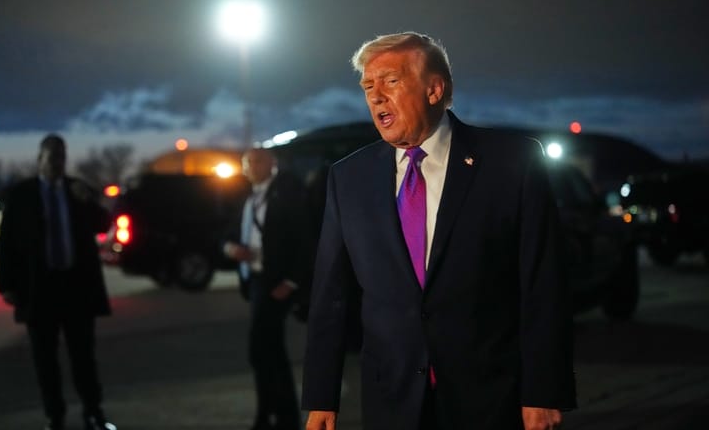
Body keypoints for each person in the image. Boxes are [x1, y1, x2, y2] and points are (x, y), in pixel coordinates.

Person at [301, 32, 576, 430]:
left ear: (434, 89)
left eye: (390, 81)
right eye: (367, 87)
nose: (375, 96)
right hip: (391, 401)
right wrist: (321, 397)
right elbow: (331, 296)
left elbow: (543, 285)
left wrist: (544, 391)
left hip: (490, 397)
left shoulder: (512, 163)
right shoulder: (348, 178)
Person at [0, 134, 117, 430]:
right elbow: (7, 242)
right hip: (39, 288)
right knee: (45, 359)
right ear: (40, 160)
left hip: (76, 287)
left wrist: (89, 201)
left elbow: (103, 225)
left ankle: (93, 412)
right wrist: (7, 285)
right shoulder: (22, 195)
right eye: (52, 158)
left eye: (62, 158)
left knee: (83, 356)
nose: (57, 164)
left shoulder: (78, 190)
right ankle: (55, 416)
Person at [223, 148, 311, 430]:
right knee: (269, 351)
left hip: (275, 283)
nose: (252, 166)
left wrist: (292, 281)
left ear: (271, 163)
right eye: (247, 162)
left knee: (262, 349)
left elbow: (304, 238)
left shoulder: (286, 192)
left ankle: (274, 415)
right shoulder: (246, 198)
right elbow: (226, 233)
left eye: (258, 160)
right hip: (257, 281)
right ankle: (277, 415)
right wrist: (231, 248)